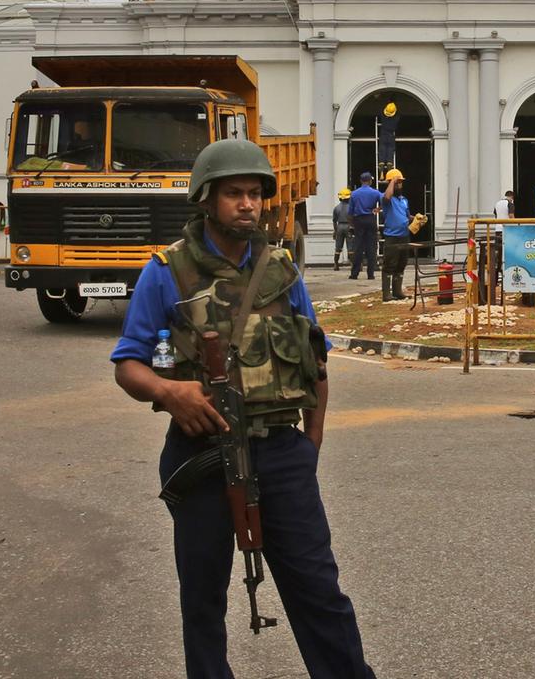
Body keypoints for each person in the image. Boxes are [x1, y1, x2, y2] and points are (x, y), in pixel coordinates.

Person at [110, 139, 375, 679]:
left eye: (255, 194)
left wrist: (309, 448)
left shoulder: (280, 271)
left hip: (280, 452)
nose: (248, 204)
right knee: (203, 601)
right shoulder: (167, 272)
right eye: (234, 193)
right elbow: (128, 364)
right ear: (207, 199)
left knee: (318, 592)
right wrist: (170, 392)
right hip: (200, 454)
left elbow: (315, 363)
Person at [379, 169, 412, 301]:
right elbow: (387, 196)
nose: (400, 185)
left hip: (404, 235)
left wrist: (416, 219)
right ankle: (387, 294)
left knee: (401, 263)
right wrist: (392, 180)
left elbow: (406, 216)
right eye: (397, 182)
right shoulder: (387, 199)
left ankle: (398, 292)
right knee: (389, 264)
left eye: (400, 183)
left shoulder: (404, 200)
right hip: (392, 236)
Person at [346, 172, 381, 281]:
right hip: (370, 219)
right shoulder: (375, 193)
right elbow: (385, 201)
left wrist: (352, 224)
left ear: (361, 181)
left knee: (358, 248)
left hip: (359, 220)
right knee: (371, 247)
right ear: (370, 181)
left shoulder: (354, 194)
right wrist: (378, 209)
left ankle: (354, 274)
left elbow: (350, 212)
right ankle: (370, 274)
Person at [331, 188, 352, 270]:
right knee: (350, 247)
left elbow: (334, 221)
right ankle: (353, 265)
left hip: (339, 226)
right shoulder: (351, 208)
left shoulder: (336, 208)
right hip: (349, 226)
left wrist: (335, 231)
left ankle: (336, 264)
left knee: (338, 247)